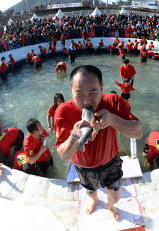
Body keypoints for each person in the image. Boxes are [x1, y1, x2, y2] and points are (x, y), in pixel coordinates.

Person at [54, 65, 143, 220]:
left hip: (111, 162)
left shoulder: (113, 101)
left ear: (102, 88)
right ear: (71, 90)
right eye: (79, 94)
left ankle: (110, 206)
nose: (86, 100)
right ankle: (95, 200)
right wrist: (74, 135)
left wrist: (112, 120)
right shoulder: (63, 111)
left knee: (115, 196)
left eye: (93, 92)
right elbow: (63, 155)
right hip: (83, 166)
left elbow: (138, 132)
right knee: (90, 191)